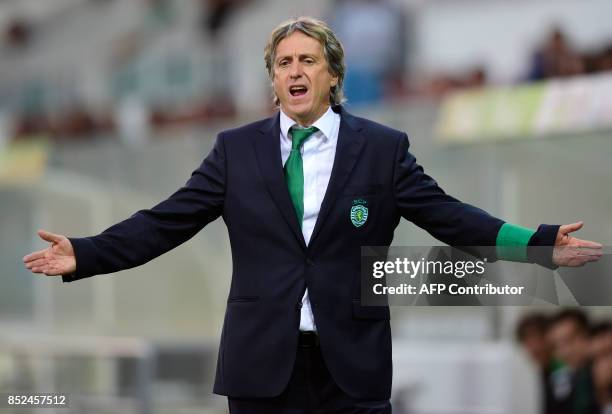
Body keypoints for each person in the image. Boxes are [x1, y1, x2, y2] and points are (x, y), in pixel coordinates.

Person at [23, 17, 603, 414]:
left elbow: (449, 216)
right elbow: (165, 221)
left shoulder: (381, 148)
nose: (293, 70)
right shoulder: (235, 150)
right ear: (272, 79)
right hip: (260, 366)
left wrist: (537, 243)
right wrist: (87, 251)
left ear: (332, 74)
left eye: (307, 60)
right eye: (282, 63)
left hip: (350, 366)